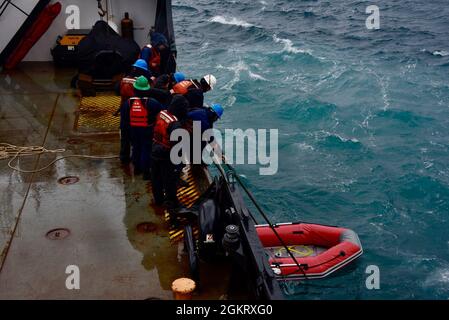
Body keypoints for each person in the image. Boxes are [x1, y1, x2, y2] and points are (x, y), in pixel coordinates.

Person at [121, 76, 165, 179]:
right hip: (147, 130)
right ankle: (146, 172)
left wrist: (126, 133)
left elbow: (124, 120)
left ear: (135, 89)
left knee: (136, 147)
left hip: (133, 130)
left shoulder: (128, 103)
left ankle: (137, 168)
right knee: (147, 149)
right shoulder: (153, 103)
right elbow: (162, 113)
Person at [151, 95, 189, 212]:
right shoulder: (175, 124)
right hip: (166, 154)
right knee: (169, 180)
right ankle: (172, 203)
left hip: (154, 149)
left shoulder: (161, 113)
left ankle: (158, 200)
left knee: (156, 178)